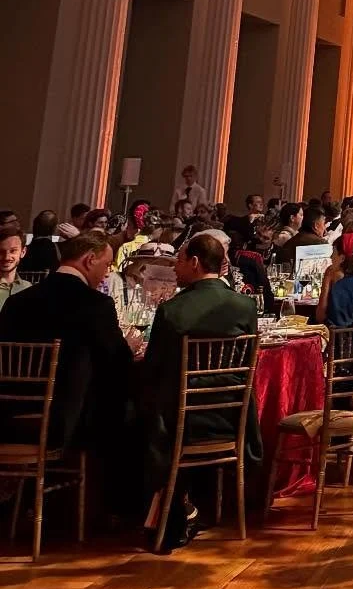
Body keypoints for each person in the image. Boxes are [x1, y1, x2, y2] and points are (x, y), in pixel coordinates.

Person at [139, 234, 259, 553]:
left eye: (178, 260)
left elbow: (153, 369)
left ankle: (160, 507)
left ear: (194, 262)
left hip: (183, 420)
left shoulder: (173, 311)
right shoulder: (245, 306)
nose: (174, 268)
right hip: (232, 415)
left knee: (135, 412)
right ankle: (187, 505)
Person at [0, 230, 136, 477]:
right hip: (61, 424)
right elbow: (118, 365)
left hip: (6, 418)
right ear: (89, 260)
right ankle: (115, 503)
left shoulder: (17, 301)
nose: (107, 273)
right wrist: (130, 347)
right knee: (132, 410)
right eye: (106, 265)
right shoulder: (96, 305)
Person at [0, 227, 24, 310]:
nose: (7, 257)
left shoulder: (28, 287)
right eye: (1, 251)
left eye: (13, 251)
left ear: (23, 252)